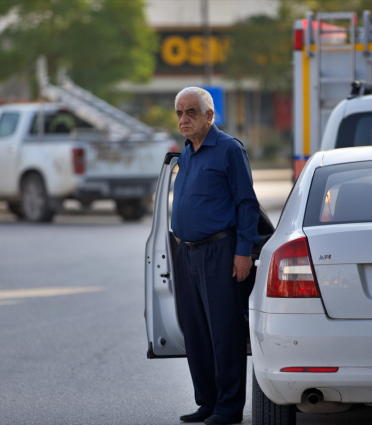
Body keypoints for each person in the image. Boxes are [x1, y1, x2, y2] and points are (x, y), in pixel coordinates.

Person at [171, 87, 260, 425]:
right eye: (179, 112)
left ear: (210, 115)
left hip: (220, 252)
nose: (184, 119)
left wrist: (242, 253)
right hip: (187, 254)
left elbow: (246, 204)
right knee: (196, 333)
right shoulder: (187, 153)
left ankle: (228, 408)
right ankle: (207, 402)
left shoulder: (228, 149)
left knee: (225, 332)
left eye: (191, 111)